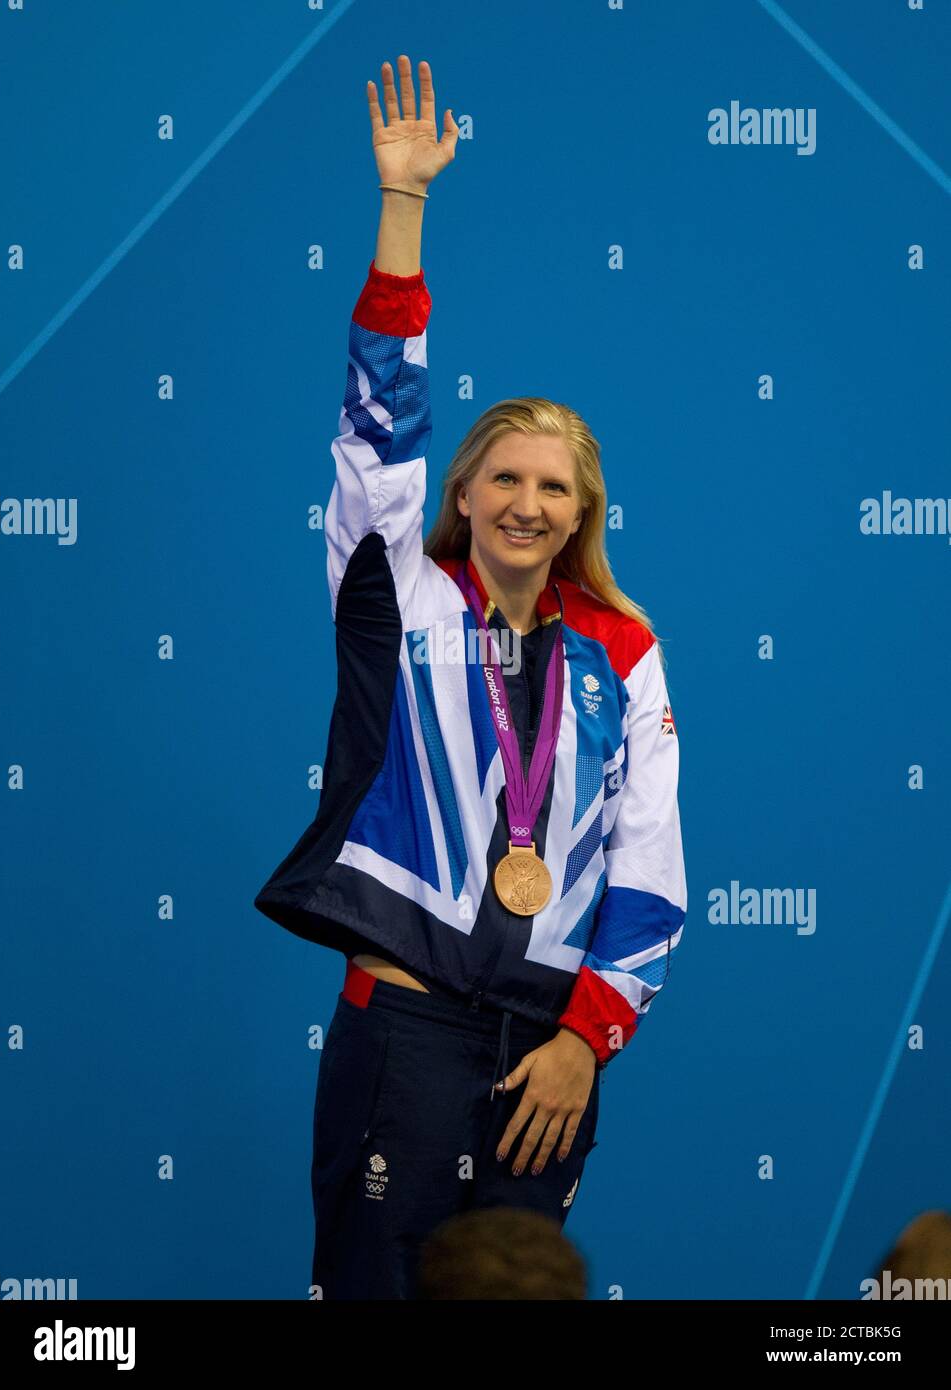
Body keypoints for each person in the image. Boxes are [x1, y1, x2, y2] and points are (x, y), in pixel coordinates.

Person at [253, 55, 687, 1301]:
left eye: (554, 486)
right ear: (462, 494)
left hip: (548, 1051)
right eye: (503, 475)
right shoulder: (403, 598)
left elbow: (650, 867)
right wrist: (404, 210)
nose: (526, 500)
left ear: (581, 513)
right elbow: (377, 422)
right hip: (410, 1031)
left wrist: (587, 1044)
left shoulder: (622, 649)